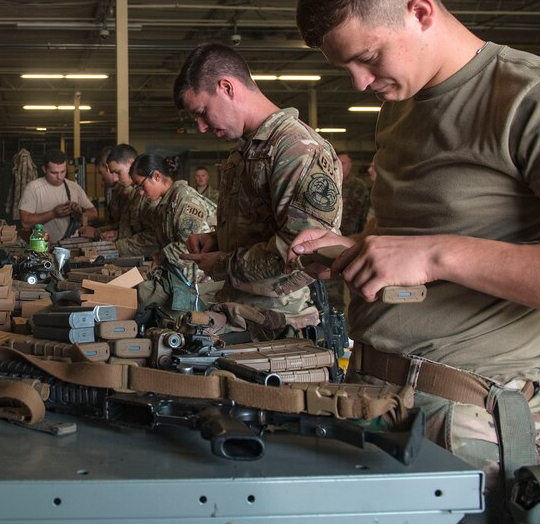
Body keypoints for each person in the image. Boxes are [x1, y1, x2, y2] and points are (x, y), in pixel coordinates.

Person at [289, 0, 540, 524]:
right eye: (344, 65)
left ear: (421, 12)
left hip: (472, 428)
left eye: (368, 57)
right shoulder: (401, 103)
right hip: (380, 402)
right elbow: (407, 240)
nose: (357, 81)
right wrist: (357, 254)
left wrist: (435, 255)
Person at [175, 42, 343, 321]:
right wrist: (217, 240)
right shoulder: (246, 151)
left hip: (281, 320)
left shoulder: (296, 148)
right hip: (242, 310)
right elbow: (259, 226)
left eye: (202, 112)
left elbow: (302, 250)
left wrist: (222, 263)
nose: (201, 127)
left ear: (227, 88)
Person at [130, 154, 217, 312]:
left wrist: (160, 258)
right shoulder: (165, 204)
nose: (141, 193)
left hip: (199, 284)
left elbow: (188, 247)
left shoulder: (185, 200)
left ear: (156, 176)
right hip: (181, 279)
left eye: (140, 185)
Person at [18, 149, 96, 245]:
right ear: (44, 169)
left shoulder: (74, 188)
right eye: (54, 173)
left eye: (63, 171)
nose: (59, 177)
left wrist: (81, 211)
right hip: (44, 247)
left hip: (72, 246)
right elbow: (25, 222)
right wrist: (53, 213)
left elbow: (93, 213)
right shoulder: (33, 188)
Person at [102, 143, 159, 256]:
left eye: (118, 172)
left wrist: (120, 246)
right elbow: (135, 229)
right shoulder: (133, 193)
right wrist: (118, 234)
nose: (115, 179)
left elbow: (154, 237)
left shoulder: (149, 194)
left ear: (131, 163)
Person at [336, 153, 370, 237]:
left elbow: (362, 215)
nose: (339, 167)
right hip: (332, 234)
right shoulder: (332, 183)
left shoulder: (358, 186)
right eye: (337, 163)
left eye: (343, 163)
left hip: (350, 236)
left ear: (350, 165)